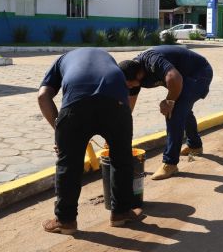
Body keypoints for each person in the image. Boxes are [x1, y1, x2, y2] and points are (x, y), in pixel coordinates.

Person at [38, 48, 144, 234]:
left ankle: (66, 220)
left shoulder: (62, 60)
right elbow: (124, 95)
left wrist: (60, 131)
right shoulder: (107, 58)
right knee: (121, 158)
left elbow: (43, 96)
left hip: (76, 106)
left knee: (68, 164)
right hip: (116, 106)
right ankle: (120, 213)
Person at [118, 45, 213, 181]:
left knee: (174, 112)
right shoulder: (131, 74)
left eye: (129, 84)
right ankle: (195, 146)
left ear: (139, 74)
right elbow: (129, 107)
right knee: (182, 109)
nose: (129, 87)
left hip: (199, 72)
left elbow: (175, 79)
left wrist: (169, 101)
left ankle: (170, 163)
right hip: (182, 76)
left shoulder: (152, 61)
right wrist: (120, 128)